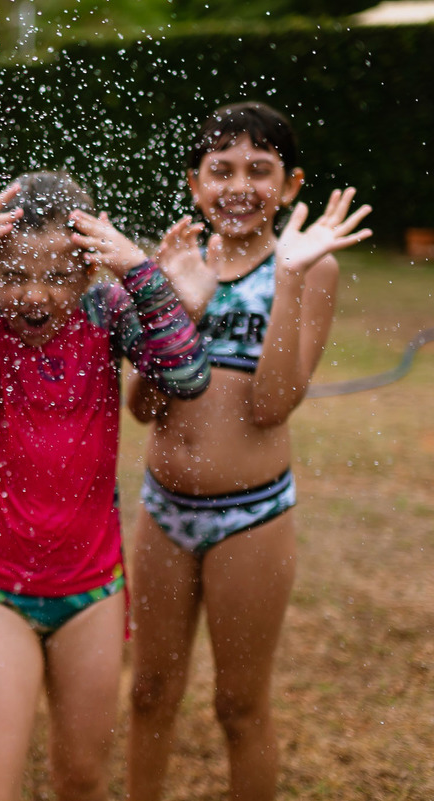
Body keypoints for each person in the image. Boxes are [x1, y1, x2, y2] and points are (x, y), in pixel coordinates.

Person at [0, 171, 211, 801]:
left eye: (58, 277)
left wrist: (139, 270)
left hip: (94, 590)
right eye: (15, 273)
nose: (34, 294)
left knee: (81, 780)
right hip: (2, 588)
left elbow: (187, 375)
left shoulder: (107, 314)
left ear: (88, 273)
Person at [124, 102, 372, 801]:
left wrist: (289, 275)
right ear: (195, 186)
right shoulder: (177, 263)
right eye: (221, 170)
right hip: (163, 511)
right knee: (148, 691)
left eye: (260, 170)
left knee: (239, 706)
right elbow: (141, 406)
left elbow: (270, 407)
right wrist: (180, 309)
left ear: (289, 186)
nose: (240, 185)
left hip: (251, 518)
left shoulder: (309, 269)